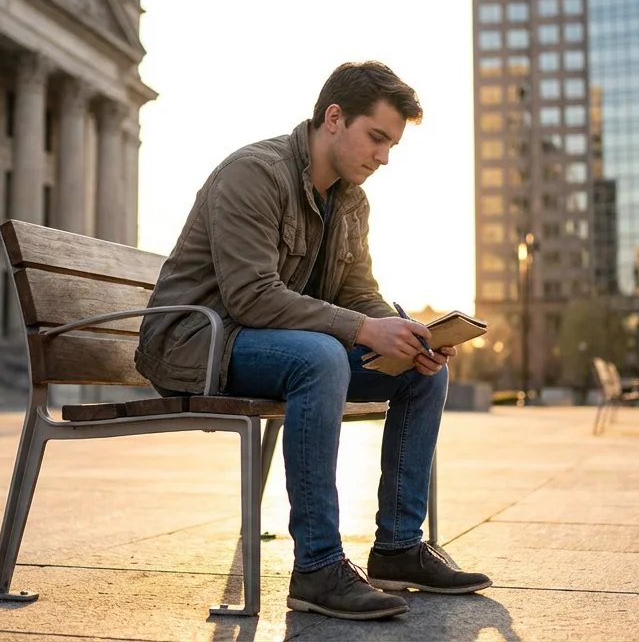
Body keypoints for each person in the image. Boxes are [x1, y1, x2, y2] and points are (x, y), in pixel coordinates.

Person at [135, 61, 491, 621]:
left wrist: (406, 334)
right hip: (196, 344)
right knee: (324, 357)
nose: (383, 156)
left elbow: (358, 291)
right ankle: (318, 567)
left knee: (424, 369)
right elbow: (251, 297)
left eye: (392, 145)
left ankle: (398, 547)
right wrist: (363, 329)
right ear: (333, 118)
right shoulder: (255, 173)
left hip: (271, 344)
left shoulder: (351, 201)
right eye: (376, 137)